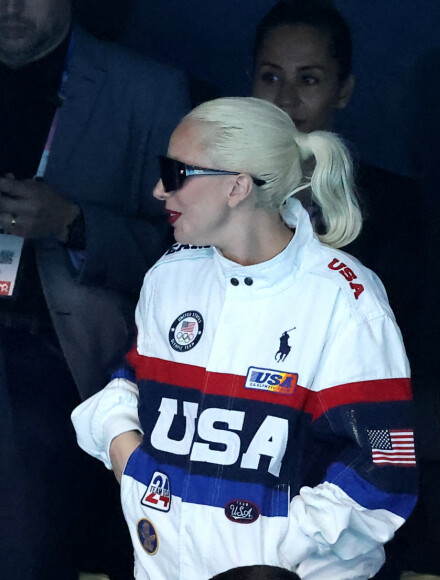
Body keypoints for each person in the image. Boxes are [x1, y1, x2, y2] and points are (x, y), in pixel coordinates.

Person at [72, 96, 418, 579]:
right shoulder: (169, 278)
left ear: (237, 186)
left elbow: (385, 461)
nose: (157, 190)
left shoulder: (345, 299)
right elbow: (128, 384)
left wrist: (277, 553)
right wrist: (126, 458)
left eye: (175, 174)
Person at [0, 0, 191, 577]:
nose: (10, 7)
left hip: (66, 354)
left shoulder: (146, 91)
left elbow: (187, 256)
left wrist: (73, 222)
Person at [250, 1, 428, 418]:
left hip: (341, 417)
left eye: (308, 79)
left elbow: (394, 338)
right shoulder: (218, 189)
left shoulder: (390, 205)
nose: (286, 99)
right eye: (270, 76)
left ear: (342, 91)